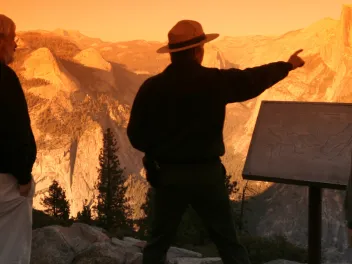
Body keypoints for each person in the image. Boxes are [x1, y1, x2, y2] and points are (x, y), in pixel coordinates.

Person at [127, 20, 305, 264]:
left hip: (167, 175)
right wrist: (288, 65)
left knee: (158, 243)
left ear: (172, 54)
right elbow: (253, 79)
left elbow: (136, 136)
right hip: (206, 175)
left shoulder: (151, 88)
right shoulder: (214, 81)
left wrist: (159, 152)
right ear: (199, 50)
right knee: (228, 242)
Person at [0, 14, 37, 264]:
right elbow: (16, 132)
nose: (16, 44)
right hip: (5, 181)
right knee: (13, 247)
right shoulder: (5, 78)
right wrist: (24, 177)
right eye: (13, 38)